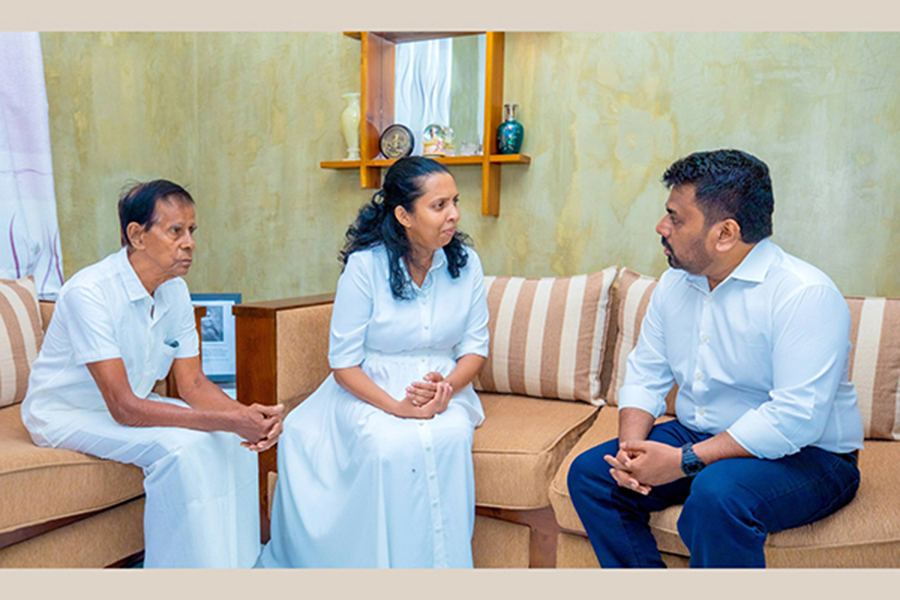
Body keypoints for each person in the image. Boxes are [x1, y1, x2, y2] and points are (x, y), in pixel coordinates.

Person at [567, 149, 864, 568]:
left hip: (810, 455)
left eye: (676, 217)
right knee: (592, 476)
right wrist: (632, 452)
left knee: (717, 494)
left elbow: (795, 418)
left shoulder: (804, 294)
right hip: (700, 432)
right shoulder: (674, 286)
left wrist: (685, 461)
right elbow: (647, 370)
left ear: (725, 233)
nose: (661, 226)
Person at [21, 180, 284, 568]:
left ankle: (235, 569)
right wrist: (229, 420)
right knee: (183, 449)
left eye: (191, 231)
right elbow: (124, 409)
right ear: (136, 235)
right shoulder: (88, 293)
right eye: (175, 231)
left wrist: (246, 418)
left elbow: (193, 384)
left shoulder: (175, 291)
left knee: (233, 444)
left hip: (133, 404)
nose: (189, 243)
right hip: (67, 413)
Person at [257, 157, 489, 568]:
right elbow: (343, 364)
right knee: (389, 445)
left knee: (451, 437)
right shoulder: (366, 267)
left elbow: (474, 350)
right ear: (404, 215)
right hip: (369, 387)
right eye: (439, 206)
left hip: (445, 388)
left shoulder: (466, 264)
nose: (453, 214)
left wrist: (446, 389)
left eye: (455, 201)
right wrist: (396, 407)